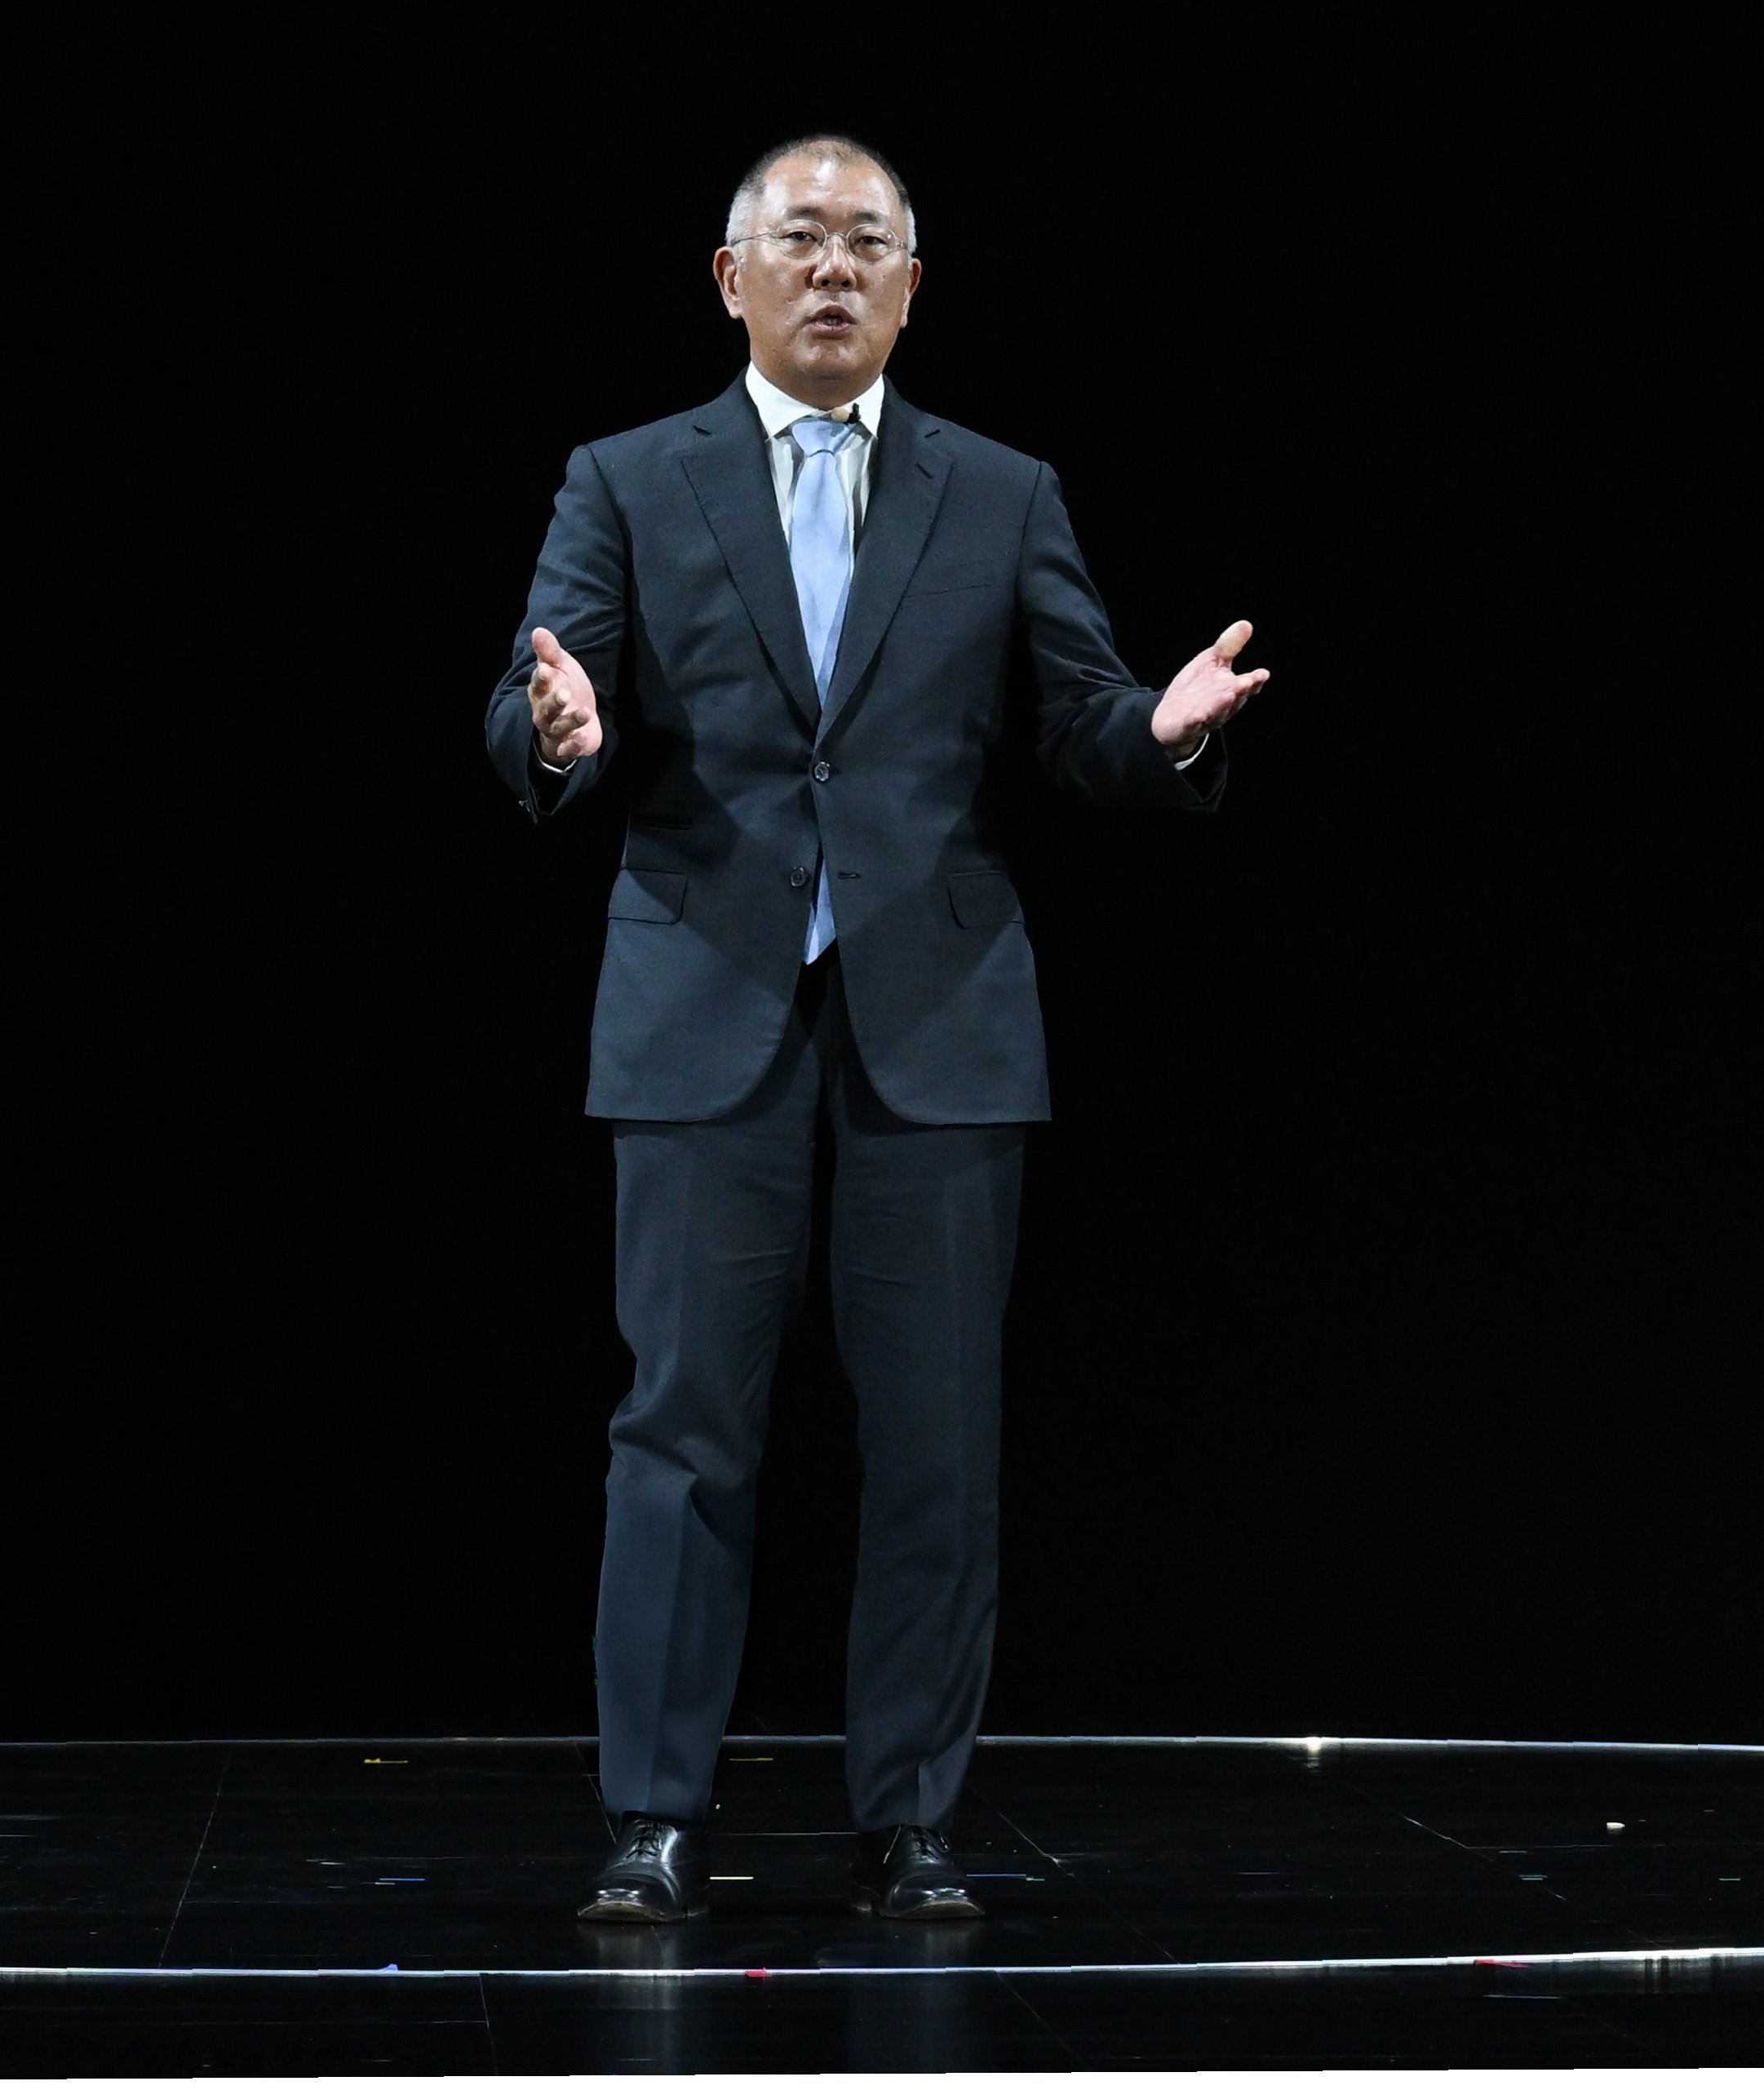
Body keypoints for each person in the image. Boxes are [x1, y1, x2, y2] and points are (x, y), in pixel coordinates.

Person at [486, 134, 1270, 1929]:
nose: (832, 269)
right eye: (800, 240)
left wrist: (1158, 731)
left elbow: (1079, 717)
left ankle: (910, 1818)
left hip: (941, 1018)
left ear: (912, 288)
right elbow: (536, 692)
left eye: (866, 244)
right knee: (680, 1431)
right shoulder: (626, 476)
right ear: (731, 279)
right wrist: (555, 734)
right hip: (701, 1006)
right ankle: (652, 1818)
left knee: (936, 1439)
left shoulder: (1001, 489)